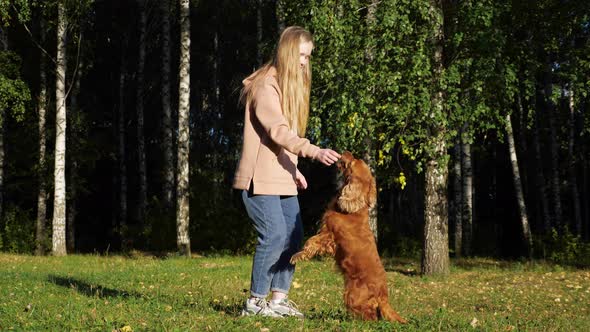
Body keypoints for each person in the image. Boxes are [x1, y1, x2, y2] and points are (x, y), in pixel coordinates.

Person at [233, 26, 340, 318]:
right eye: (302, 55)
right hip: (258, 179)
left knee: (294, 237)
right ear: (289, 52)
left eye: (309, 56)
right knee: (275, 235)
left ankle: (277, 300)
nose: (305, 62)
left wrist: (293, 170)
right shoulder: (265, 85)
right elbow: (278, 132)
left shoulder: (286, 85)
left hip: (280, 176)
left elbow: (279, 141)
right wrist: (313, 151)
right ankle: (255, 303)